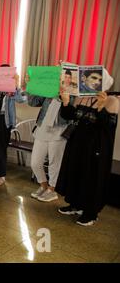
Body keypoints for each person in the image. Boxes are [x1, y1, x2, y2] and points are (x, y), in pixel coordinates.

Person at [56, 70, 118, 226]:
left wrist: (101, 107)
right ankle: (75, 204)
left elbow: (108, 126)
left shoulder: (112, 100)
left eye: (99, 79)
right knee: (76, 172)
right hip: (78, 143)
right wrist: (65, 101)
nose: (95, 81)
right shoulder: (82, 97)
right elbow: (69, 116)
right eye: (92, 77)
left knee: (91, 177)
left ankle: (91, 213)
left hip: (96, 147)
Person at [27, 76, 73, 202]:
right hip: (42, 128)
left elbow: (70, 110)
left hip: (59, 129)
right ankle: (44, 186)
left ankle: (52, 190)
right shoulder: (48, 88)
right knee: (35, 162)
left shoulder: (72, 90)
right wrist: (31, 87)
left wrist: (64, 93)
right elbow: (33, 102)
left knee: (54, 163)